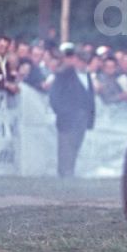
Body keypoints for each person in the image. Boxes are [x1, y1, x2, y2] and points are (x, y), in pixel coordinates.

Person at [48, 42, 96, 178]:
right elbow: (54, 96)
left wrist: (90, 120)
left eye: (86, 61)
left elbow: (90, 99)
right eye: (81, 60)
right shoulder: (63, 74)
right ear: (75, 59)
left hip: (83, 119)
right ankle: (64, 175)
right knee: (65, 148)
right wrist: (62, 113)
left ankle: (70, 173)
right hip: (67, 119)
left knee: (75, 147)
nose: (83, 63)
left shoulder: (87, 76)